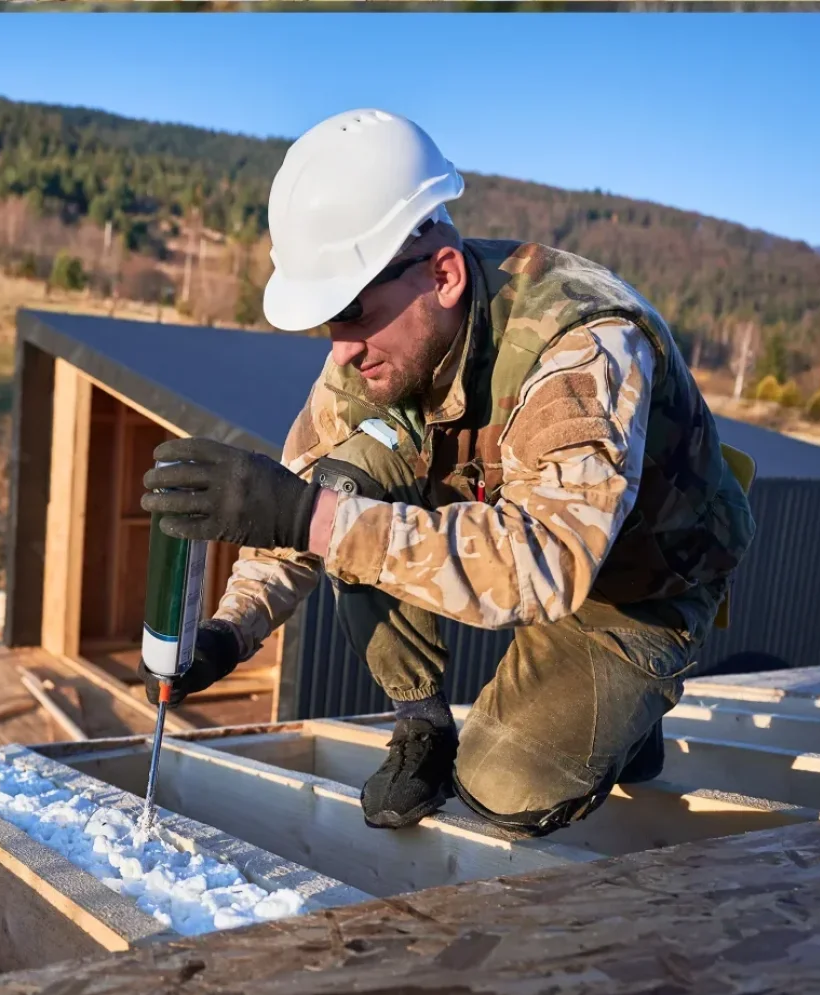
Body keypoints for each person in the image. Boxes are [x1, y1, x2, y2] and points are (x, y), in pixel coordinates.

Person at [138, 109, 756, 837]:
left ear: (444, 273)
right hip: (523, 542)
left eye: (353, 313)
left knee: (503, 790)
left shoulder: (583, 346)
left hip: (639, 584)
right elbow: (302, 498)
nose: (340, 351)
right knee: (347, 477)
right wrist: (226, 635)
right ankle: (422, 724)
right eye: (327, 325)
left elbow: (547, 566)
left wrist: (309, 515)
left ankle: (629, 711)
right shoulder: (371, 353)